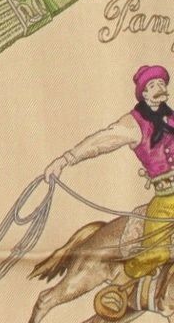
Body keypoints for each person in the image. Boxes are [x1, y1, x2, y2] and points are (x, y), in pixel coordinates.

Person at [44, 65, 174, 288]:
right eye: (152, 85)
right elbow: (101, 142)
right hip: (166, 198)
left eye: (161, 83)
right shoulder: (133, 124)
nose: (159, 88)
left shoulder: (171, 117)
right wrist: (65, 159)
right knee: (156, 253)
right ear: (144, 93)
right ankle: (123, 286)